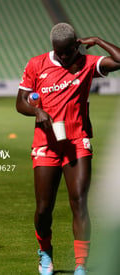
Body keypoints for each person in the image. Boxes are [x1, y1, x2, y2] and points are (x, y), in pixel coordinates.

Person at [16, 23, 120, 275]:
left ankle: (81, 264)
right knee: (43, 208)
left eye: (67, 52)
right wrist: (37, 111)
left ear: (76, 45)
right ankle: (45, 253)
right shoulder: (36, 65)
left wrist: (97, 39)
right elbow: (20, 103)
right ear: (53, 47)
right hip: (46, 143)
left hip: (77, 140)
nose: (63, 57)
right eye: (58, 52)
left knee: (79, 202)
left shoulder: (86, 63)